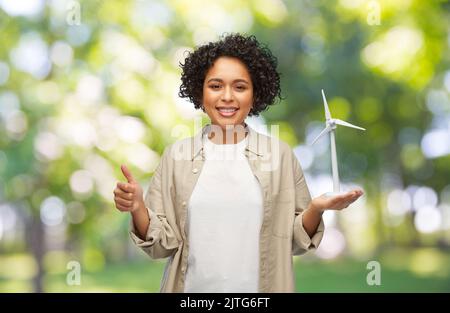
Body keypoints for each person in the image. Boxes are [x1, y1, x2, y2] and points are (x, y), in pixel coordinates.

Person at [113, 33, 364, 293]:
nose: (227, 97)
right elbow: (161, 244)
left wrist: (316, 208)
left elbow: (295, 241)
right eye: (216, 86)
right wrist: (138, 207)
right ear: (200, 93)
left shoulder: (280, 156)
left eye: (240, 87)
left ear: (255, 96)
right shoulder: (176, 157)